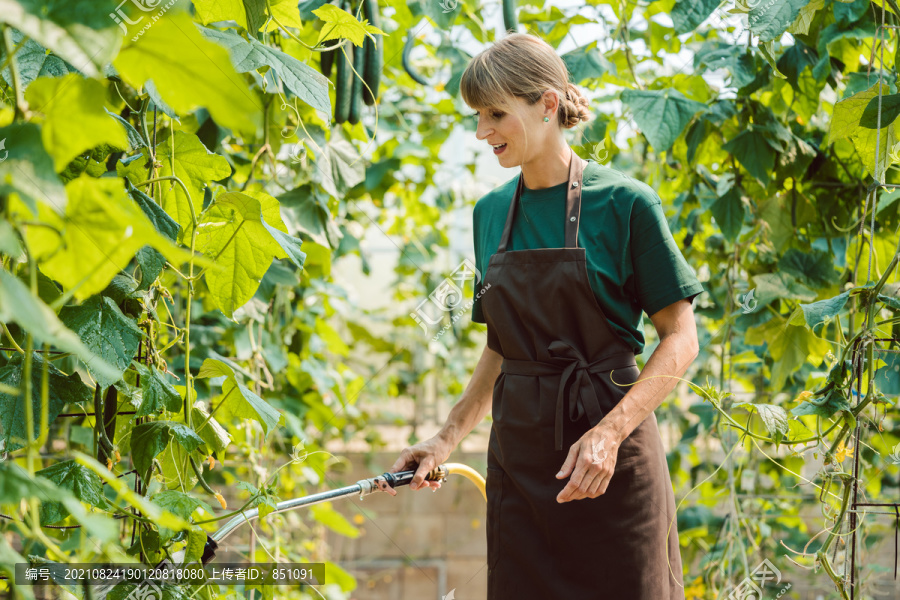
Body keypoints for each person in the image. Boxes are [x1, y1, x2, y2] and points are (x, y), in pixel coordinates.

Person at [383, 33, 703, 599]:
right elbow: (504, 349)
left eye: (495, 114)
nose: (482, 133)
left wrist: (608, 435)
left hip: (611, 464)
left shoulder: (626, 204)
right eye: (478, 117)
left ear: (548, 104)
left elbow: (681, 339)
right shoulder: (489, 214)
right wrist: (443, 440)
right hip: (520, 471)